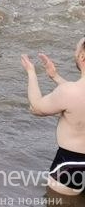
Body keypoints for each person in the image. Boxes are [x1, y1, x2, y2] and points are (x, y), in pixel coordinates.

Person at [21, 39, 85, 196]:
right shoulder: (71, 91)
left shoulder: (70, 91)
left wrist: (31, 72)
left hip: (71, 164)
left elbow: (36, 107)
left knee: (57, 202)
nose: (74, 53)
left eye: (76, 49)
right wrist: (55, 77)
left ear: (82, 56)